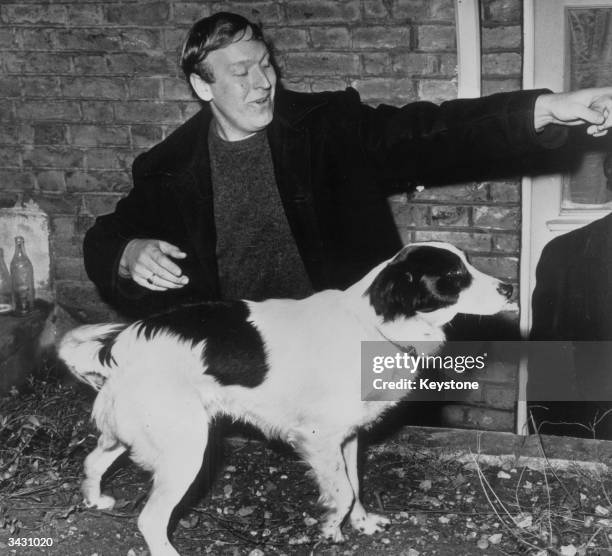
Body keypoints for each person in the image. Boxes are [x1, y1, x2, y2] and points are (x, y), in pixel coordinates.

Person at [83, 11, 612, 318]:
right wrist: (128, 252)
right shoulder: (168, 166)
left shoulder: (328, 125)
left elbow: (436, 132)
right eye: (241, 73)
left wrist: (546, 108)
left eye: (265, 65)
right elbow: (105, 236)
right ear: (203, 85)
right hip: (247, 365)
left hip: (358, 345)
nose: (264, 83)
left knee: (399, 464)